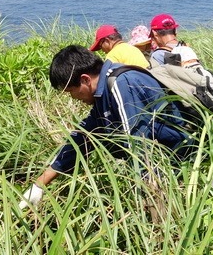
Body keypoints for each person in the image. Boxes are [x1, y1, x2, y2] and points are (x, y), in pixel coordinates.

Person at [19, 45, 192, 209]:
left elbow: (139, 149)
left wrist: (152, 205)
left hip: (184, 164)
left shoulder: (121, 84)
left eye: (71, 91)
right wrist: (39, 185)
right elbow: (82, 139)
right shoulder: (105, 92)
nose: (73, 98)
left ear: (85, 80)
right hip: (168, 167)